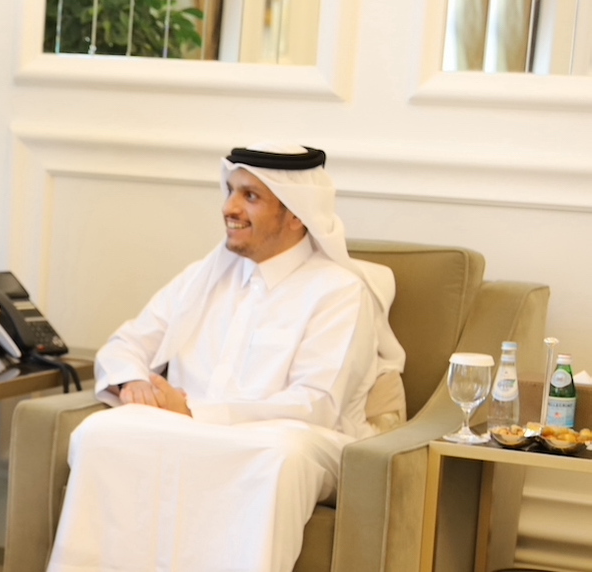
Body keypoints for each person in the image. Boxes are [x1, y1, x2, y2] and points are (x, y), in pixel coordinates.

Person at [45, 143, 406, 572]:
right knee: (99, 432)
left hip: (293, 438)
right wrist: (134, 384)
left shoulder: (339, 291)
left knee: (278, 458)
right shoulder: (205, 275)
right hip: (188, 425)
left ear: (296, 215)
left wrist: (194, 409)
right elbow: (126, 344)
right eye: (231, 191)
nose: (229, 207)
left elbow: (316, 404)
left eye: (250, 196)